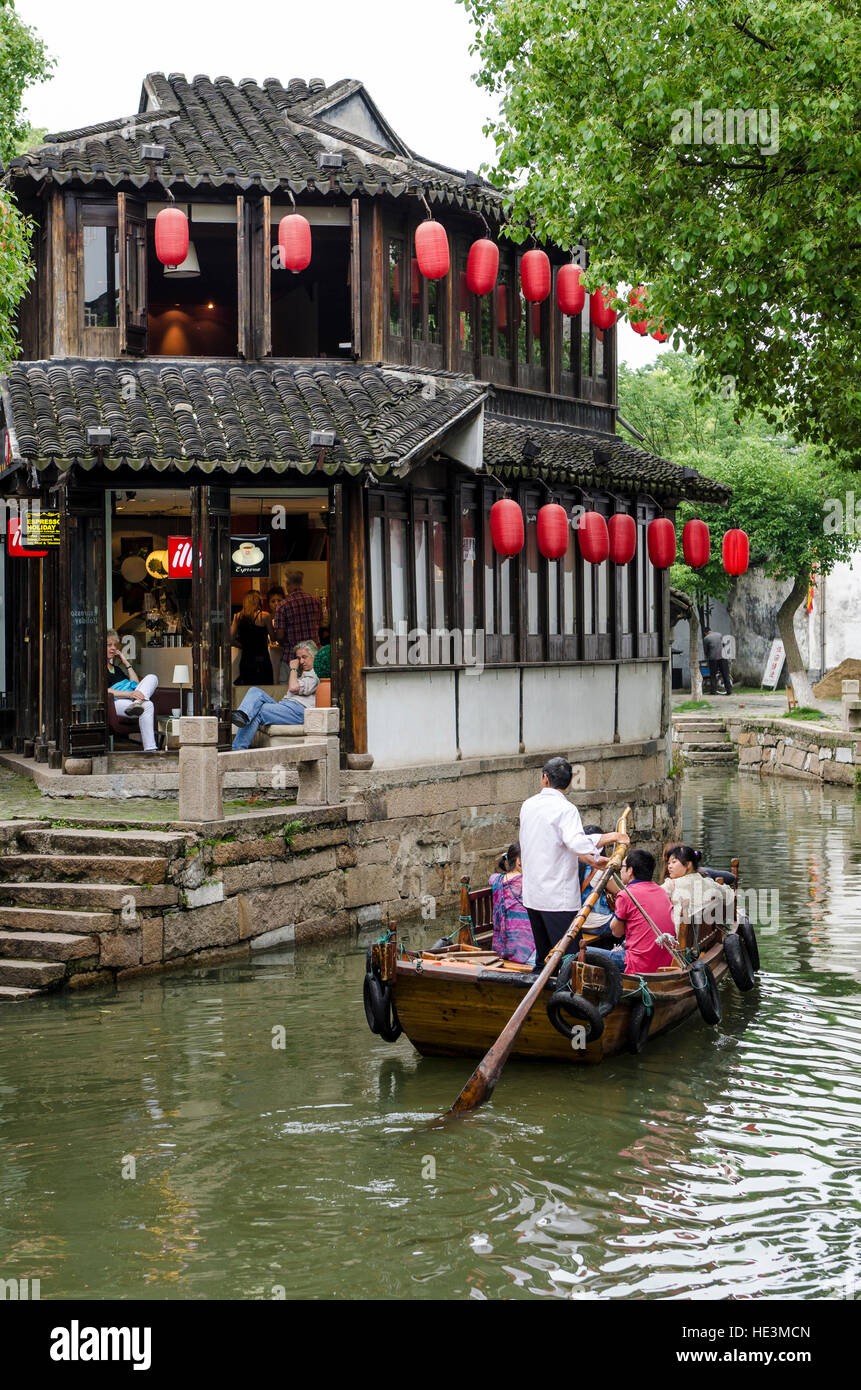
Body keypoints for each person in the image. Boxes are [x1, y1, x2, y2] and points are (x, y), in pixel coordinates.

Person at [518, 756, 630, 968]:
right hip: (557, 899)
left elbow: (556, 844)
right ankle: (567, 994)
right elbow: (576, 843)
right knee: (568, 957)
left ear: (544, 779)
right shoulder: (565, 809)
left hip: (533, 894)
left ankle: (540, 982)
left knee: (544, 956)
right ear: (569, 783)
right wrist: (613, 836)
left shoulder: (528, 806)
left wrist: (593, 860)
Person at [589, 848, 678, 975]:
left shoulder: (626, 895)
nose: (620, 869)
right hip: (664, 961)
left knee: (581, 952)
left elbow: (617, 932)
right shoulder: (661, 891)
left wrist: (615, 921)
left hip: (639, 964)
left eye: (623, 866)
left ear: (630, 870)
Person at [230, 641, 319, 749]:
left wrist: (293, 668)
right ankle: (242, 715)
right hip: (287, 706)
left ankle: (237, 749)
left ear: (314, 656)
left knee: (258, 710)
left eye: (304, 657)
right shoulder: (306, 673)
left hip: (298, 710)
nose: (301, 661)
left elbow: (293, 688)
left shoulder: (315, 674)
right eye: (299, 658)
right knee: (255, 691)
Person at [106, 630, 160, 753]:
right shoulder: (98, 668)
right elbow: (104, 691)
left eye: (115, 645)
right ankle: (150, 750)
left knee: (152, 677)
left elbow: (134, 684)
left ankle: (137, 702)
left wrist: (126, 663)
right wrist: (129, 694)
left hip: (131, 699)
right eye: (109, 645)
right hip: (116, 702)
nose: (113, 648)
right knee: (148, 705)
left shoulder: (117, 669)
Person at [662, 844, 731, 929]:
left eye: (674, 862)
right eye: (668, 863)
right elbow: (729, 895)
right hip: (705, 936)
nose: (669, 866)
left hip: (681, 938)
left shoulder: (671, 885)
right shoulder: (708, 883)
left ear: (688, 864)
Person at [488, 843, 535, 966]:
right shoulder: (527, 882)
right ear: (519, 861)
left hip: (502, 947)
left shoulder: (496, 880)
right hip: (527, 948)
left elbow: (492, 878)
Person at [274, 571, 322, 678]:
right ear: (301, 583)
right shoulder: (316, 601)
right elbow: (320, 623)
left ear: (288, 585)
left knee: (288, 689)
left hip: (292, 657)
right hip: (313, 656)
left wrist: (282, 642)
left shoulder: (283, 605)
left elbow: (280, 635)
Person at [231, 591, 275, 685]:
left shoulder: (238, 616)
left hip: (246, 660)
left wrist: (242, 645)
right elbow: (273, 638)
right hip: (263, 659)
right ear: (259, 601)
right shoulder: (265, 616)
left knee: (247, 691)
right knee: (265, 690)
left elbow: (230, 639)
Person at [704, 625, 732, 695]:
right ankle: (729, 691)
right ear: (711, 630)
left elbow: (706, 650)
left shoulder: (706, 638)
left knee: (713, 675)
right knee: (725, 674)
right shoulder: (719, 635)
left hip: (713, 659)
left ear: (706, 633)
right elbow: (724, 644)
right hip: (723, 657)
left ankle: (713, 691)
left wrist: (707, 657)